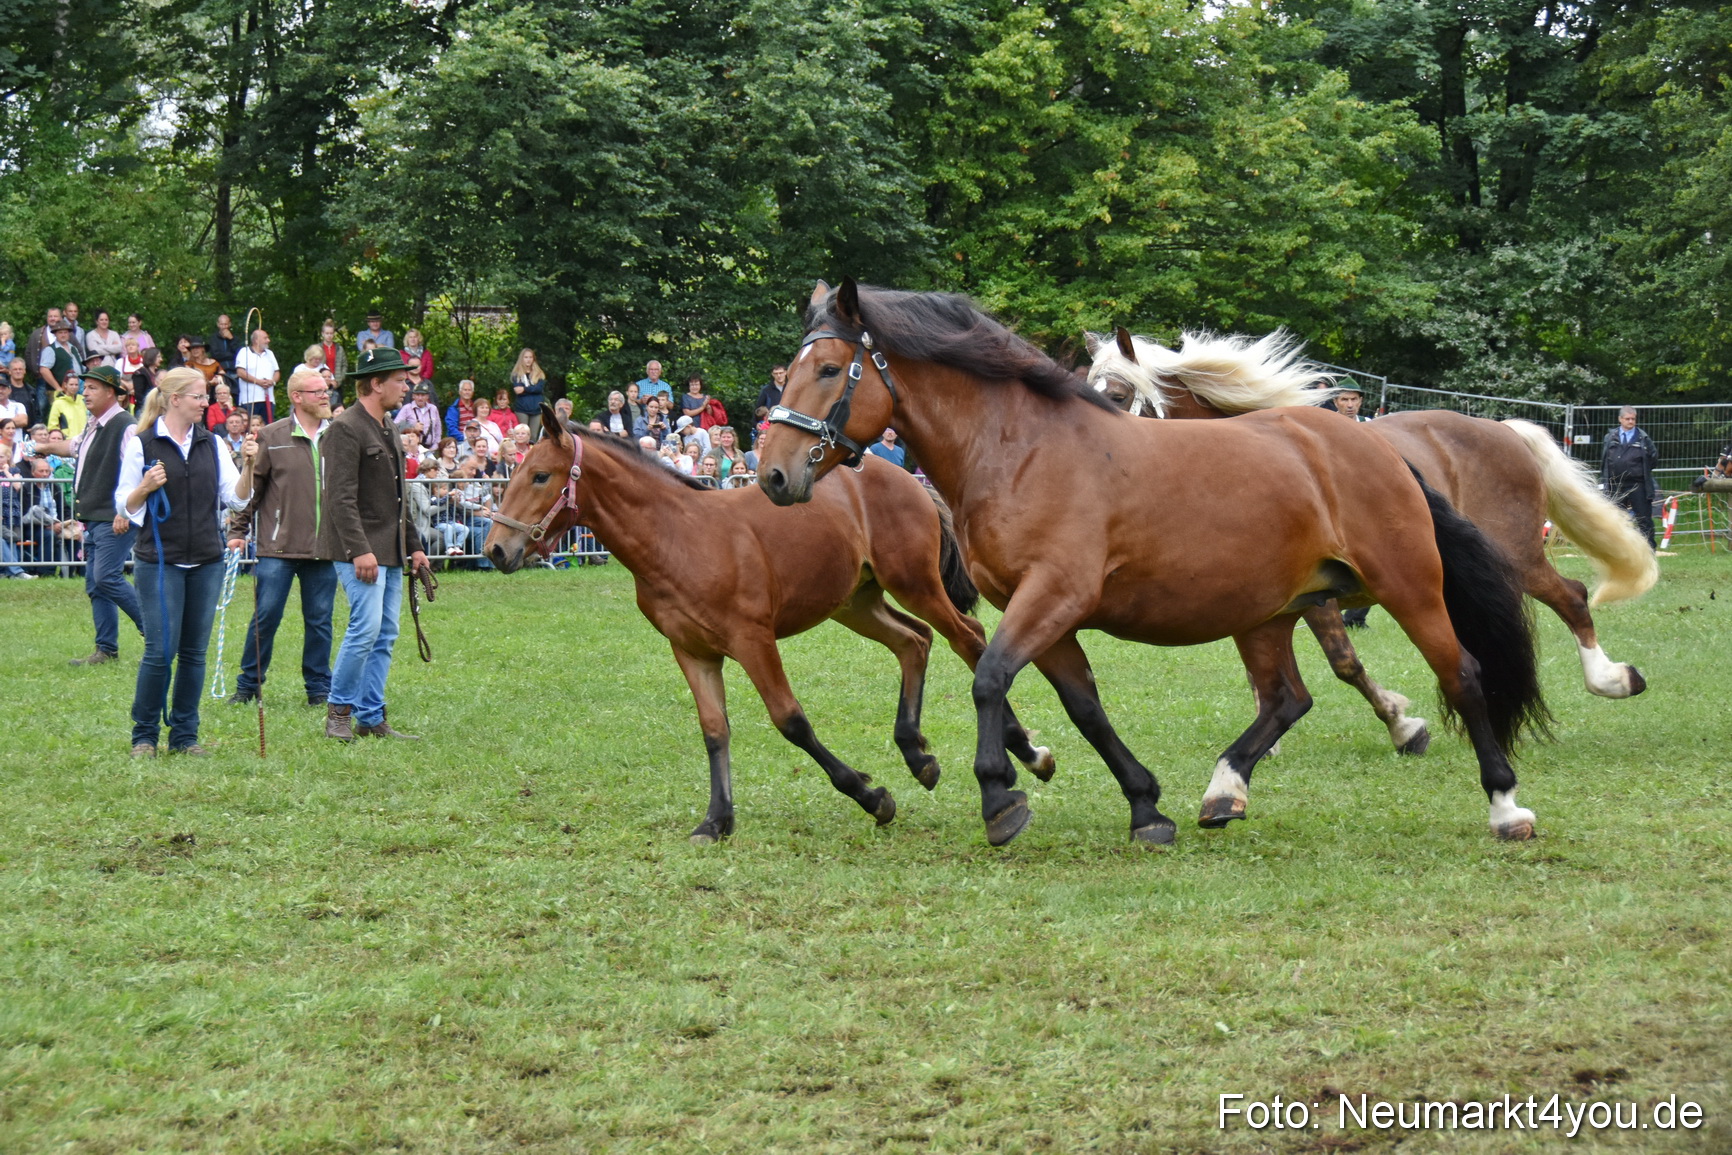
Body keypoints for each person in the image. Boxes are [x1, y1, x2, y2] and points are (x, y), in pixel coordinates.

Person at [115, 367, 256, 756]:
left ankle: (184, 737)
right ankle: (144, 735)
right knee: (160, 651)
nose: (205, 402)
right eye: (198, 396)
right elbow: (124, 504)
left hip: (207, 561)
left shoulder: (211, 444)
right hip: (159, 561)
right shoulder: (142, 443)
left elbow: (238, 499)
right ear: (175, 399)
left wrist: (248, 465)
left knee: (194, 654)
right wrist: (145, 487)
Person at [317, 347, 429, 741]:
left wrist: (414, 545)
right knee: (365, 629)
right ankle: (339, 713)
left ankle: (370, 715)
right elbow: (339, 498)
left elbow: (400, 497)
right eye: (399, 379)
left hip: (391, 548)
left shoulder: (388, 427)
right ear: (376, 383)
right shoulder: (345, 428)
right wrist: (358, 550)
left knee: (385, 634)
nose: (406, 385)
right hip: (361, 550)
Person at [228, 366, 338, 709]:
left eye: (326, 390)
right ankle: (248, 686)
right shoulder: (271, 437)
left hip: (324, 547)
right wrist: (237, 531)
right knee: (265, 617)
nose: (325, 396)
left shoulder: (338, 437)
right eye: (317, 391)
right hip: (277, 547)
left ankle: (319, 688)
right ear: (297, 397)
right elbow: (252, 488)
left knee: (320, 621)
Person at [1602, 406, 1659, 549]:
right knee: (1615, 519)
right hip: (1616, 484)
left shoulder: (1643, 438)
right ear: (1620, 419)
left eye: (1633, 419)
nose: (1630, 421)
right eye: (1627, 419)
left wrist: (1637, 471)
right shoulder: (1610, 437)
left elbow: (1653, 458)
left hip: (1637, 484)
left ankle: (1649, 551)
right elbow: (1605, 460)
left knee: (1644, 519)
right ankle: (1617, 551)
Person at [234, 328, 279, 422]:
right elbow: (240, 372)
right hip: (249, 400)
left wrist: (272, 381)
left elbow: (277, 372)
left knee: (268, 427)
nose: (268, 340)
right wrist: (258, 382)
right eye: (265, 338)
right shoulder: (244, 352)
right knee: (249, 427)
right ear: (256, 340)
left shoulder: (270, 353)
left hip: (268, 399)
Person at [38, 320, 80, 417]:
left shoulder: (73, 348)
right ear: (55, 334)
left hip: (75, 390)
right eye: (60, 332)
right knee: (61, 418)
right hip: (59, 392)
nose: (63, 335)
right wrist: (58, 388)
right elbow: (44, 370)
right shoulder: (51, 349)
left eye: (65, 332)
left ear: (69, 334)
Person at [508, 349, 545, 438]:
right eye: (526, 357)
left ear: (533, 359)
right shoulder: (516, 374)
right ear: (522, 359)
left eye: (530, 357)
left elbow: (539, 389)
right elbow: (518, 390)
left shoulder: (539, 374)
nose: (528, 360)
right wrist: (532, 389)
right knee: (522, 434)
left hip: (536, 409)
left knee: (533, 436)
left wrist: (524, 389)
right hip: (522, 409)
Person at [47, 371, 88, 438]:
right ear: (65, 385)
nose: (74, 387)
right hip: (67, 442)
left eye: (76, 385)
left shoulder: (83, 401)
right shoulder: (58, 403)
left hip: (84, 440)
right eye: (71, 384)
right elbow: (52, 426)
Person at [318, 320, 349, 387]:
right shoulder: (317, 349)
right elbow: (313, 365)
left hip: (336, 383)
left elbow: (344, 365)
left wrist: (340, 379)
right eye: (327, 333)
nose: (329, 335)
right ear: (322, 333)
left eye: (331, 333)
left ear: (334, 334)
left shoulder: (339, 349)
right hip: (320, 384)